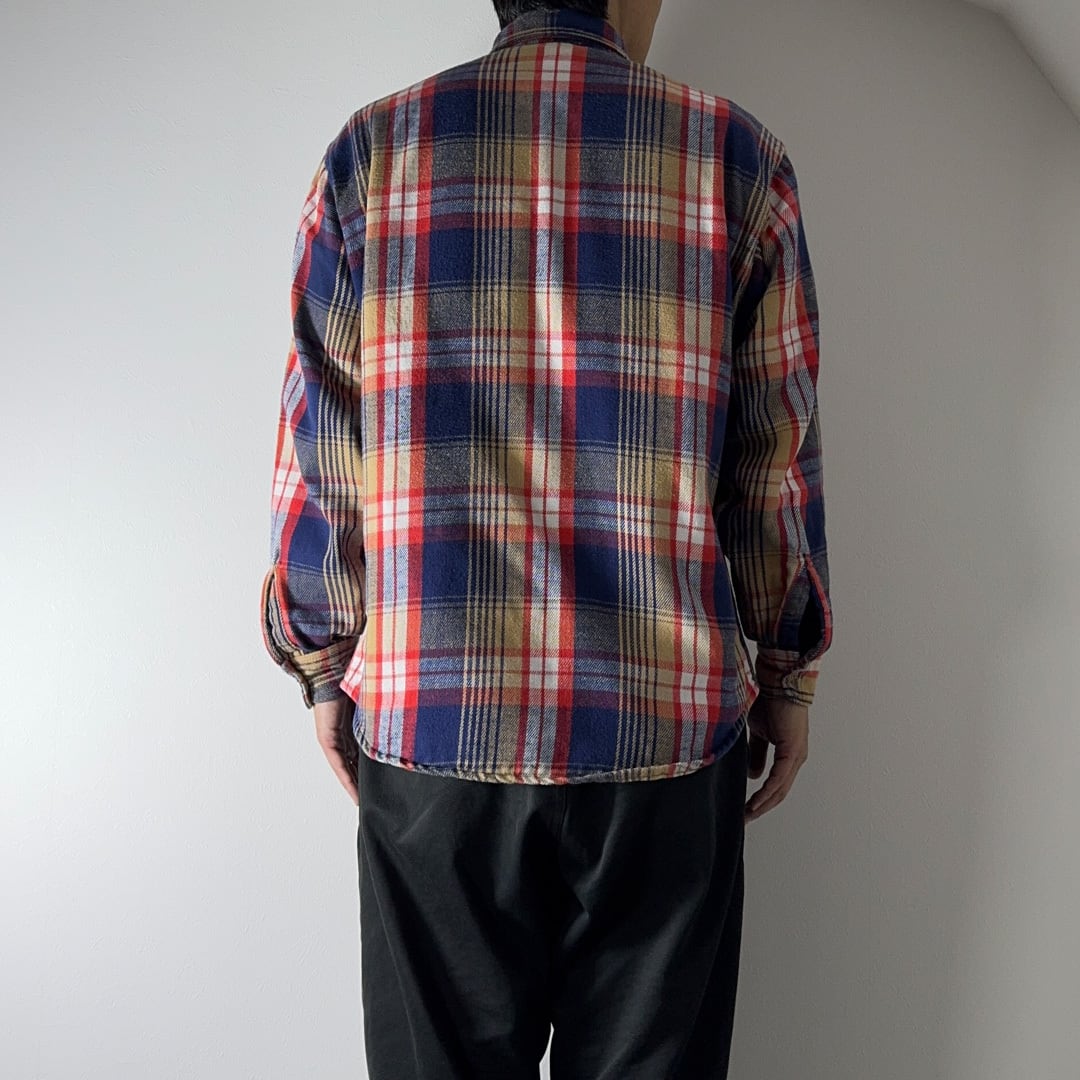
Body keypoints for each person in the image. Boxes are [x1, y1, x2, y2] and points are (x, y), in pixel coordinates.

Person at [259, 0, 834, 1075]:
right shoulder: (735, 157)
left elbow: (321, 442)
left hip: (434, 738)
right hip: (662, 741)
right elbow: (776, 454)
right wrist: (788, 671)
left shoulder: (374, 153)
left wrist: (324, 663)